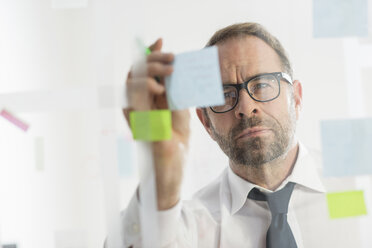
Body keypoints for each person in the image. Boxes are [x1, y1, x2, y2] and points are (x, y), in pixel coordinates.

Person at [122, 23, 363, 247]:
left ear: (296, 98)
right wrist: (162, 176)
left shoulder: (359, 190)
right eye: (225, 94)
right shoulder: (195, 226)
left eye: (262, 84)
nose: (246, 108)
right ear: (206, 121)